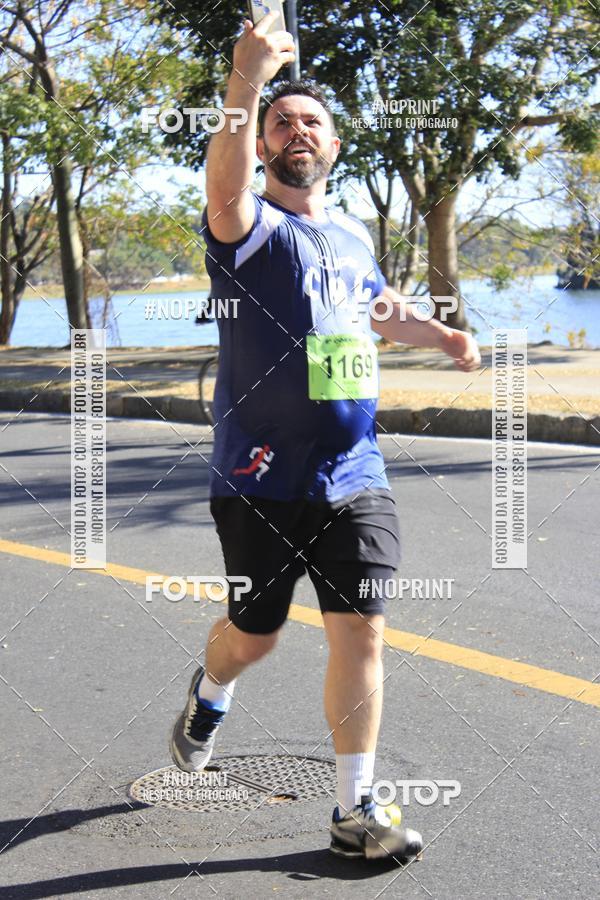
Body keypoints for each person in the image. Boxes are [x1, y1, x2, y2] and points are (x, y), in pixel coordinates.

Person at [170, 12, 480, 862]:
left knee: (362, 629)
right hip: (258, 478)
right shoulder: (246, 228)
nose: (294, 128)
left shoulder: (348, 235)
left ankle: (354, 812)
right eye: (281, 120)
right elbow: (223, 190)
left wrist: (442, 335)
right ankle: (211, 688)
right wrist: (246, 80)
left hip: (354, 473)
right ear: (262, 144)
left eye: (311, 121)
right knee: (256, 637)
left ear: (335, 147)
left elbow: (379, 308)